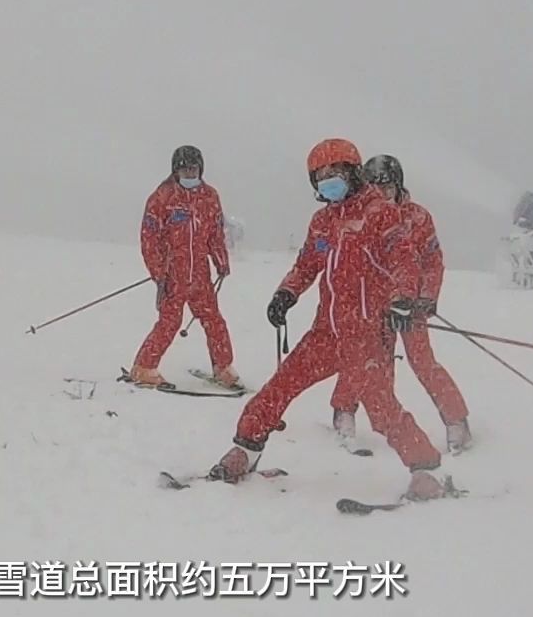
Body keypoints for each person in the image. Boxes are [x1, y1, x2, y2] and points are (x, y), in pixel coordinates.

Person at [206, 138, 447, 500]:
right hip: (326, 333)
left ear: (353, 173)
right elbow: (307, 264)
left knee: (382, 410)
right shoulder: (322, 221)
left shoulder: (381, 213)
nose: (327, 180)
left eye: (334, 172)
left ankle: (425, 470)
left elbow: (405, 259)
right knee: (278, 389)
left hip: (367, 334)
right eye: (319, 176)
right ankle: (247, 449)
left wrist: (403, 298)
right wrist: (286, 293)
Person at [329, 154, 472, 453]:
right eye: (374, 187)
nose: (381, 194)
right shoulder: (360, 216)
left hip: (408, 307)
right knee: (367, 362)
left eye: (387, 187)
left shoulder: (417, 218)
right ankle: (346, 412)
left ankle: (456, 421)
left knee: (423, 362)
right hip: (372, 307)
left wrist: (425, 298)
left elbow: (433, 262)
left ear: (398, 185)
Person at [128, 145, 238, 388]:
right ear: (175, 171)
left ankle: (223, 367)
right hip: (172, 275)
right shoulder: (162, 197)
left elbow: (215, 234)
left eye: (194, 169)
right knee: (169, 322)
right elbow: (149, 238)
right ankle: (144, 367)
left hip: (200, 274)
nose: (190, 174)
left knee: (214, 320)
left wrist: (221, 261)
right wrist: (158, 272)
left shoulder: (210, 197)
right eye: (184, 170)